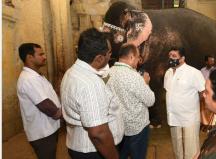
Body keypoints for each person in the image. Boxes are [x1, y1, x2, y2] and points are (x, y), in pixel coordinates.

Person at [60, 28, 124, 159]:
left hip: (81, 146)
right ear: (99, 58)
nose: (110, 55)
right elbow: (98, 133)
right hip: (94, 151)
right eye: (109, 53)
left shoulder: (72, 71)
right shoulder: (90, 84)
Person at [106, 43, 155, 159]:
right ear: (132, 57)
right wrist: (146, 83)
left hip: (118, 128)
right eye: (138, 58)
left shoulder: (108, 74)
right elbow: (150, 100)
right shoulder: (134, 77)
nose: (138, 61)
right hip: (137, 129)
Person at [17, 43, 62, 159]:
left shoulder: (36, 75)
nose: (44, 57)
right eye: (41, 54)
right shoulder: (29, 79)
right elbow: (46, 105)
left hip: (48, 128)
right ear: (29, 57)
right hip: (42, 133)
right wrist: (66, 113)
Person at [164, 47, 205, 159]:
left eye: (174, 56)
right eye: (170, 56)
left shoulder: (193, 72)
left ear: (182, 58)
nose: (171, 58)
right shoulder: (168, 73)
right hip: (173, 117)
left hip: (189, 118)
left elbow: (203, 92)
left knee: (191, 151)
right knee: (177, 149)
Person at [200, 55, 216, 129]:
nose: (212, 62)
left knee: (211, 108)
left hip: (212, 92)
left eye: (213, 61)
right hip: (204, 92)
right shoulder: (202, 70)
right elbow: (200, 81)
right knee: (204, 109)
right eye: (210, 61)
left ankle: (211, 124)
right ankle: (204, 124)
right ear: (206, 62)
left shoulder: (215, 71)